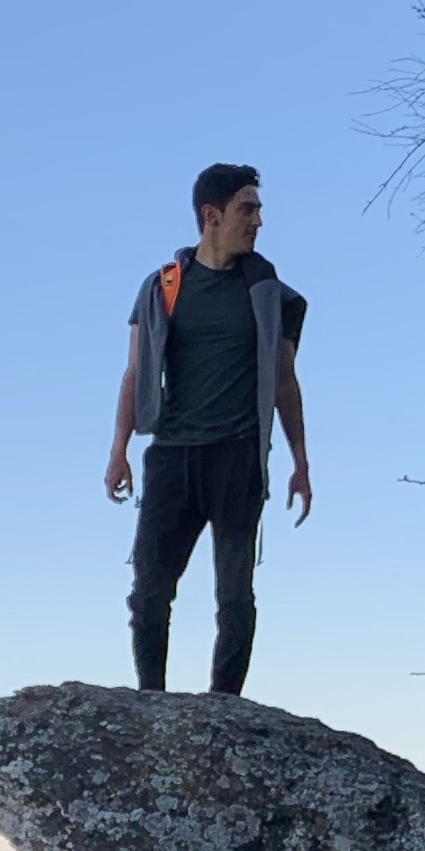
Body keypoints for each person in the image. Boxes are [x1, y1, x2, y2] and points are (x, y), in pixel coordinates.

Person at [105, 163, 312, 695]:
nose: (259, 221)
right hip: (173, 454)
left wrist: (301, 463)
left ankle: (225, 709)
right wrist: (119, 449)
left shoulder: (271, 293)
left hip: (238, 457)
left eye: (259, 209)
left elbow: (285, 380)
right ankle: (151, 700)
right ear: (211, 216)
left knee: (235, 595)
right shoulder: (162, 287)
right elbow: (135, 371)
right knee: (149, 592)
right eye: (248, 208)